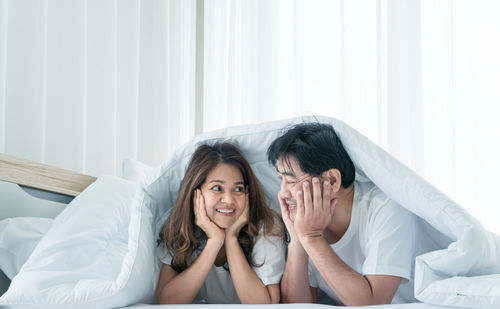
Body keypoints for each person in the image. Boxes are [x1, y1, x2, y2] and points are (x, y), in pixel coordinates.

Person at [268, 122, 419, 306]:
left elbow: (373, 304)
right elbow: (296, 305)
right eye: (280, 180)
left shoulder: (386, 208)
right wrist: (298, 240)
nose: (283, 194)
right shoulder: (305, 219)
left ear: (331, 180)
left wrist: (311, 237)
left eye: (290, 181)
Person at [156, 141, 286, 304]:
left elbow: (266, 304)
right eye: (217, 188)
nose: (229, 200)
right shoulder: (180, 226)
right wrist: (214, 241)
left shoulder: (266, 225)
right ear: (197, 193)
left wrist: (231, 238)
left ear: (247, 194)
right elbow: (167, 302)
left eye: (238, 189)